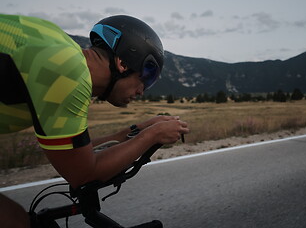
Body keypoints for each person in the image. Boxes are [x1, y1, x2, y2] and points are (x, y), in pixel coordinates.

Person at [0, 14, 189, 228]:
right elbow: (82, 173)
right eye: (147, 76)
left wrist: (131, 132)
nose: (142, 91)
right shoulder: (69, 74)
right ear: (122, 63)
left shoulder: (64, 54)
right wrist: (152, 135)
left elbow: (73, 153)